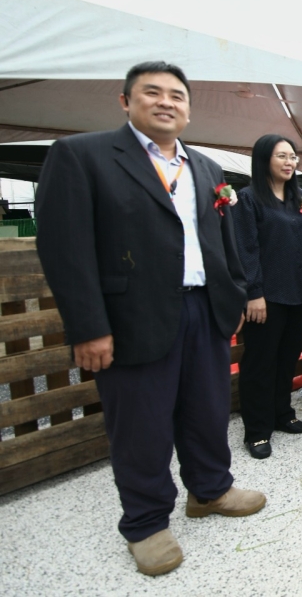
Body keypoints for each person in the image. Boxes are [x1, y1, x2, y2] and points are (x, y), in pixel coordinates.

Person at [34, 61, 265, 577]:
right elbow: (64, 248)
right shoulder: (81, 156)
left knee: (206, 409)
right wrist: (89, 327)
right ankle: (144, 522)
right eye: (152, 92)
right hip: (129, 316)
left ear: (188, 107)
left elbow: (223, 243)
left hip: (203, 310)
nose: (167, 102)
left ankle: (210, 490)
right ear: (125, 101)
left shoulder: (205, 168)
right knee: (140, 423)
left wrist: (229, 302)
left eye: (177, 95)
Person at [232, 134, 302, 459]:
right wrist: (252, 293)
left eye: (292, 156)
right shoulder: (248, 199)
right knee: (260, 362)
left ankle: (282, 414)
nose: (289, 162)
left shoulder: (297, 200)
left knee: (287, 359)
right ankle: (257, 430)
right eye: (281, 156)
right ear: (264, 160)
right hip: (266, 298)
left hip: (299, 293)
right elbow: (246, 249)